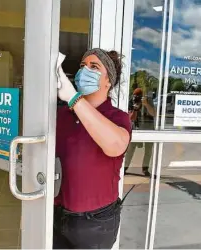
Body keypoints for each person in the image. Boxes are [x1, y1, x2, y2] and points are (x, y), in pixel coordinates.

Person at [54, 48, 132, 249]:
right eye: (82, 66)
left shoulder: (117, 117)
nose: (84, 71)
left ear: (108, 81)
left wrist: (74, 98)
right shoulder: (62, 115)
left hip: (95, 223)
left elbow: (115, 145)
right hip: (56, 213)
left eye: (94, 67)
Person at [124, 88, 156, 176]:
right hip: (136, 129)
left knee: (148, 150)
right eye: (136, 96)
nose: (137, 98)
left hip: (148, 129)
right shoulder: (132, 100)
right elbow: (131, 118)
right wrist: (135, 109)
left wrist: (146, 104)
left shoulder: (148, 100)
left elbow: (154, 113)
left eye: (139, 96)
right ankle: (125, 167)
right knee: (130, 149)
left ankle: (145, 169)